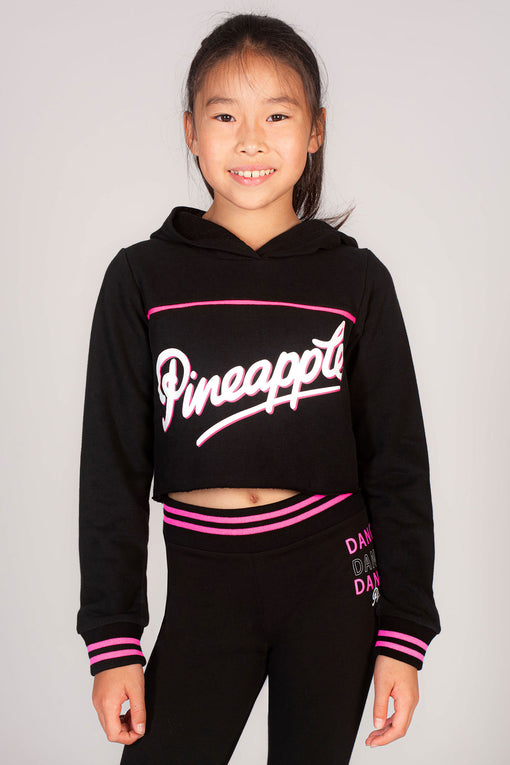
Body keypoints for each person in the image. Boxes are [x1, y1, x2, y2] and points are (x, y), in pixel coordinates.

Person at [76, 12, 441, 765]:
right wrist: (113, 639)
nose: (250, 141)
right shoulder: (142, 277)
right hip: (206, 582)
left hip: (333, 579)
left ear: (315, 130)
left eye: (277, 115)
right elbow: (111, 468)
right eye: (224, 116)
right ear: (190, 130)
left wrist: (404, 633)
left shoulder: (356, 279)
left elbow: (398, 463)